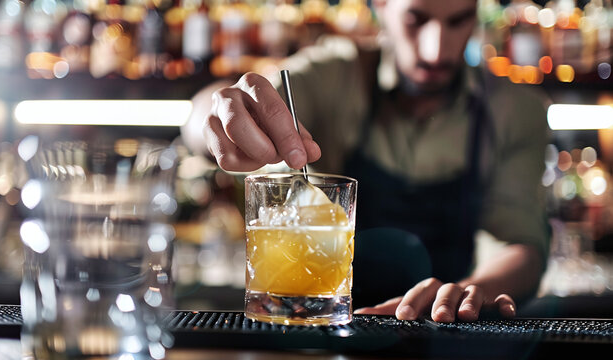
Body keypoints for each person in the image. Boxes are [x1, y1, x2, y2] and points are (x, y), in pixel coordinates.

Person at [183, 0, 550, 323]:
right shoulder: (333, 74)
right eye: (416, 19)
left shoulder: (516, 111)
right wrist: (218, 114)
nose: (436, 50)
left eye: (458, 21)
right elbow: (205, 116)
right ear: (382, 7)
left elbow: (519, 242)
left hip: (446, 331)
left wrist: (467, 294)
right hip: (323, 327)